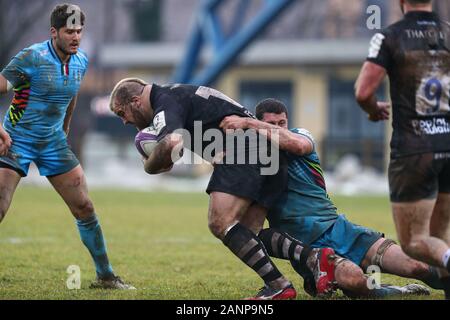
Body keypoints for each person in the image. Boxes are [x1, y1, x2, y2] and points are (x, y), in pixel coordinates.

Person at [109, 79, 337, 299]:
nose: (124, 121)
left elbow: (171, 144)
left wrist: (148, 165)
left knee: (220, 222)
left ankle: (278, 285)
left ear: (136, 101)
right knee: (250, 233)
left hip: (247, 150)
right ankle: (313, 258)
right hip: (271, 156)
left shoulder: (165, 101)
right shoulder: (176, 93)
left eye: (122, 113)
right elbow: (183, 144)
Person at [220, 98, 443, 298]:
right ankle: (399, 291)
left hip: (340, 229)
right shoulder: (255, 161)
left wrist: (250, 124)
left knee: (417, 267)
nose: (278, 128)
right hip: (308, 248)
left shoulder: (300, 135)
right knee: (357, 282)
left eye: (281, 123)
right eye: (271, 124)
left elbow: (297, 145)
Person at [0, 4, 133, 290]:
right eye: (69, 31)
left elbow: (71, 94)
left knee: (84, 206)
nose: (75, 37)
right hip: (16, 141)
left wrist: (66, 128)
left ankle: (106, 276)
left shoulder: (81, 61)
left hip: (53, 143)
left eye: (79, 31)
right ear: (54, 32)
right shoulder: (31, 57)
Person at [355, 0, 450, 299]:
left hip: (414, 149)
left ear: (400, 2)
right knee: (440, 233)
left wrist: (372, 110)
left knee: (413, 242)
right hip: (447, 143)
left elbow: (363, 91)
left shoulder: (389, 36)